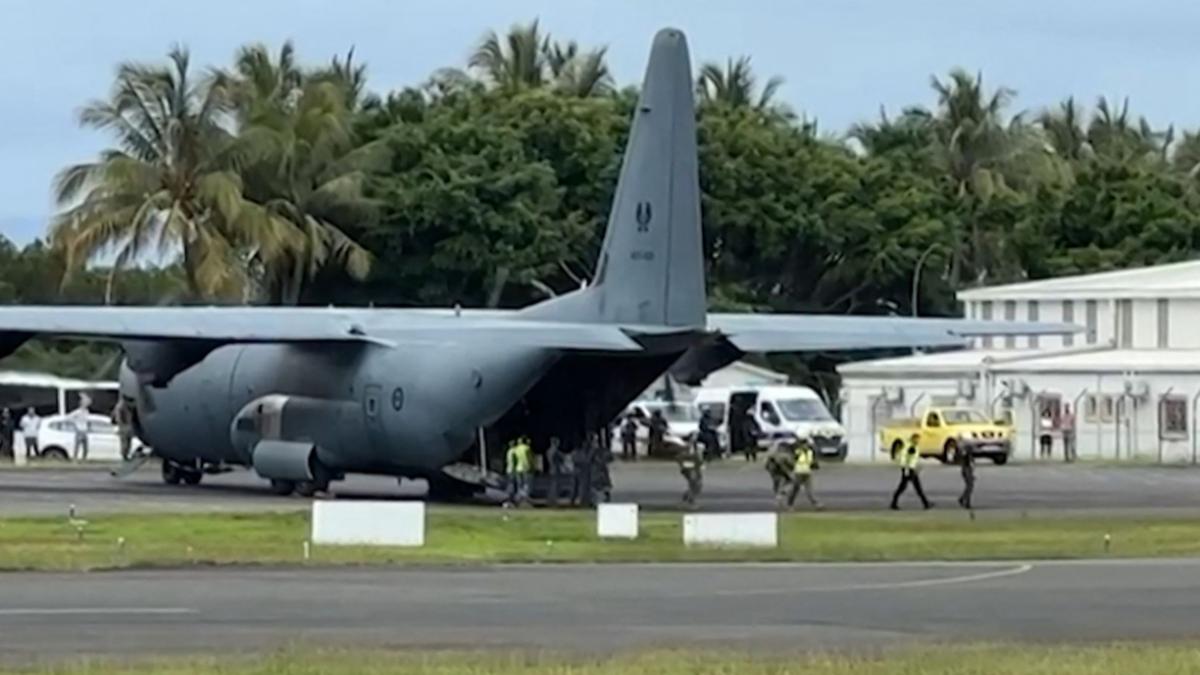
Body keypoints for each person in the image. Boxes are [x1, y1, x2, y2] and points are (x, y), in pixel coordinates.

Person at [891, 433, 931, 510]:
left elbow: (913, 458)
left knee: (903, 487)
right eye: (917, 439)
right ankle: (926, 503)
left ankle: (894, 503)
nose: (918, 441)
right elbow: (906, 459)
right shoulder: (910, 447)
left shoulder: (913, 446)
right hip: (909, 469)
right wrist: (907, 470)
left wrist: (916, 467)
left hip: (910, 469)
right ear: (913, 438)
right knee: (916, 487)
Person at [784, 436, 821, 510]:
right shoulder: (798, 452)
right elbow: (792, 458)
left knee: (810, 490)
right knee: (795, 489)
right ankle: (789, 504)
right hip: (798, 472)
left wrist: (814, 464)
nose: (806, 446)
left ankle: (816, 503)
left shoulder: (810, 452)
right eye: (805, 444)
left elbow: (812, 462)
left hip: (807, 472)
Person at [504, 437, 532, 507]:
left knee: (518, 485)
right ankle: (522, 500)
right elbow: (528, 459)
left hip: (515, 469)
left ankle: (515, 500)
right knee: (525, 485)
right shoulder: (525, 448)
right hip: (524, 468)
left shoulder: (513, 450)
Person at [677, 440, 704, 507]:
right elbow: (680, 459)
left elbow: (699, 463)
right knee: (695, 485)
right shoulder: (689, 452)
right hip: (690, 470)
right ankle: (691, 501)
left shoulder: (694, 452)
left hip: (693, 470)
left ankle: (686, 499)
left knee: (695, 485)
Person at [571, 439, 595, 507]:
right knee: (580, 488)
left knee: (584, 488)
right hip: (580, 472)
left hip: (584, 472)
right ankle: (577, 501)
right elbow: (583, 461)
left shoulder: (583, 452)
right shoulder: (577, 453)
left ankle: (585, 501)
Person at [545, 437, 567, 507]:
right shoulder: (556, 451)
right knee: (555, 486)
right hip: (556, 470)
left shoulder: (548, 451)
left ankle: (550, 500)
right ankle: (554, 501)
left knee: (551, 485)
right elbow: (563, 457)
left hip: (551, 469)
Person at [591, 434, 613, 503]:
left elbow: (610, 458)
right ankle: (594, 499)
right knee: (595, 484)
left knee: (604, 484)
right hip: (597, 470)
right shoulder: (593, 450)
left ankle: (606, 497)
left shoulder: (602, 450)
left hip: (601, 470)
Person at [70, 397, 91, 461]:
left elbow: (87, 420)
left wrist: (88, 427)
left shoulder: (87, 411)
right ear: (82, 404)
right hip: (79, 430)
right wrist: (75, 424)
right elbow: (69, 417)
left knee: (86, 447)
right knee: (77, 446)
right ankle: (75, 459)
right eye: (85, 403)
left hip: (85, 430)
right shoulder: (77, 412)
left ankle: (84, 459)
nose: (86, 404)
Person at [958, 446, 976, 510]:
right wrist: (971, 475)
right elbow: (971, 465)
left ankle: (967, 502)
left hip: (964, 471)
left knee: (968, 486)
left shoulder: (964, 456)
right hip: (967, 471)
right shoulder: (969, 457)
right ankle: (963, 499)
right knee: (970, 487)